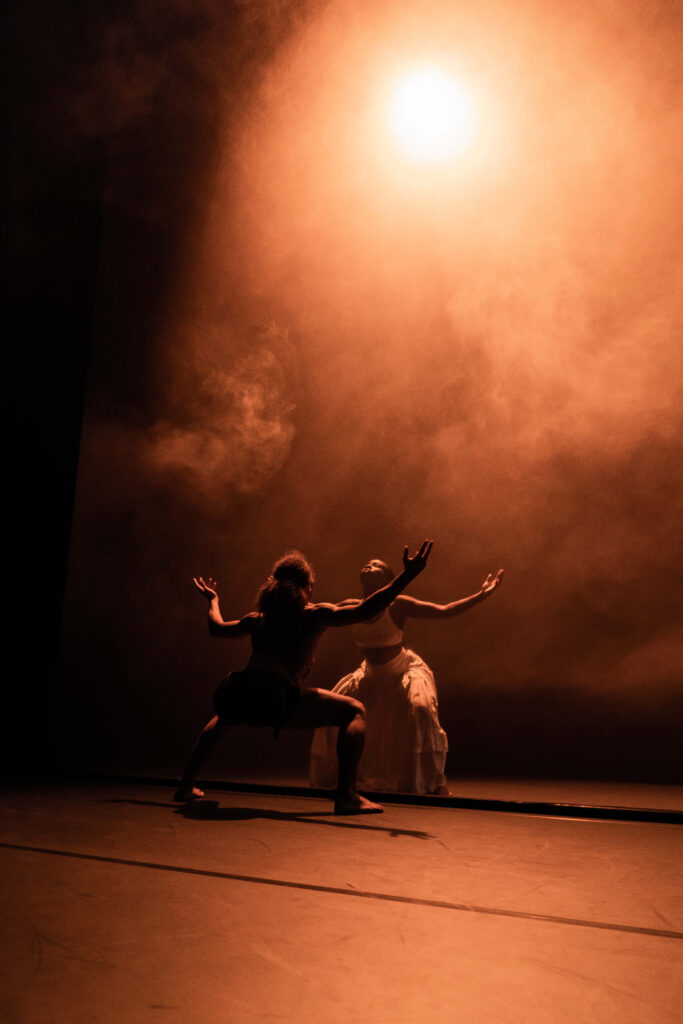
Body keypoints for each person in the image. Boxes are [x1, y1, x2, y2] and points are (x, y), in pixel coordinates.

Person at [174, 540, 433, 814]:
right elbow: (367, 610)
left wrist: (213, 600)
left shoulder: (258, 618)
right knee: (354, 711)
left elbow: (216, 628)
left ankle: (185, 785)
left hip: (237, 692)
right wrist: (408, 575)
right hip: (276, 697)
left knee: (224, 717)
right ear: (307, 588)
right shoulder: (313, 615)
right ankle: (347, 796)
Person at [310, 561, 504, 795]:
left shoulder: (397, 605)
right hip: (369, 675)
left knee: (419, 709)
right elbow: (315, 612)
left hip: (402, 671)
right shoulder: (352, 606)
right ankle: (340, 779)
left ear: (388, 578)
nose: (368, 565)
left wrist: (482, 594)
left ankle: (424, 780)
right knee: (330, 715)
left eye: (375, 565)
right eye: (367, 563)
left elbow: (444, 610)